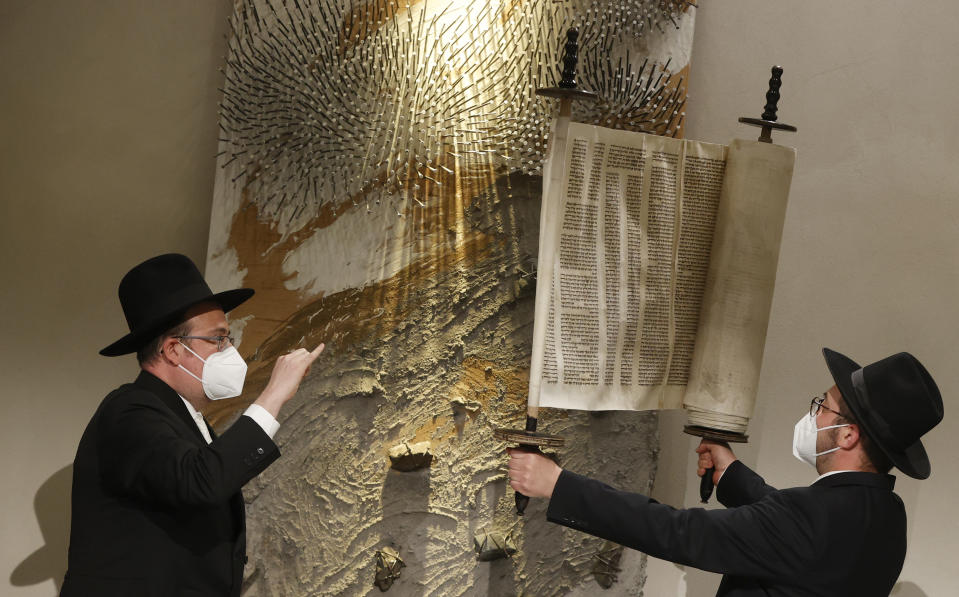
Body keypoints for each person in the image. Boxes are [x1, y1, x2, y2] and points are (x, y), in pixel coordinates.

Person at [508, 348, 943, 596]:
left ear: (847, 436)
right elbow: (794, 536)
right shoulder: (888, 516)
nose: (812, 414)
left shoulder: (806, 519)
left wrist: (558, 485)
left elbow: (678, 532)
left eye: (822, 406)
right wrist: (731, 472)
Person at [61, 253, 324, 597]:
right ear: (173, 350)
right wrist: (273, 394)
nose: (230, 350)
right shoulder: (127, 411)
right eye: (219, 339)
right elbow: (202, 481)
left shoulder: (185, 419)